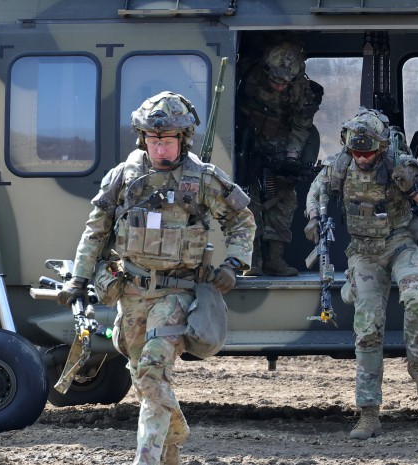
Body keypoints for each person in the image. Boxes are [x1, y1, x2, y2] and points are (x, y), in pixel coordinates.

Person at [57, 91, 255, 465]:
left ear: (183, 139)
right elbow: (96, 230)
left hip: (178, 292)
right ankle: (171, 445)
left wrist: (233, 263)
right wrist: (79, 278)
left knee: (151, 369)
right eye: (153, 140)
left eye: (167, 141)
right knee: (144, 378)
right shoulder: (124, 177)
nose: (160, 148)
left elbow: (241, 220)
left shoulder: (202, 179)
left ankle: (145, 460)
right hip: (131, 291)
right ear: (142, 138)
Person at [304, 108, 418, 440]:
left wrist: (415, 192)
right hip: (363, 252)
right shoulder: (340, 166)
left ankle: (417, 362)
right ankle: (369, 414)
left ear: (381, 147)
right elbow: (316, 191)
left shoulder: (402, 165)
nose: (361, 158)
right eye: (356, 152)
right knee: (367, 329)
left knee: (416, 298)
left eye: (368, 152)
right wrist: (314, 216)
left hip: (400, 243)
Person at [237, 37, 323, 276]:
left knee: (284, 200)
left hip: (282, 145)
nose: (279, 86)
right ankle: (252, 260)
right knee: (247, 200)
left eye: (285, 82)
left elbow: (301, 126)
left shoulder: (300, 89)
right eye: (275, 80)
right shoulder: (248, 72)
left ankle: (275, 259)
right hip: (248, 144)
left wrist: (292, 158)